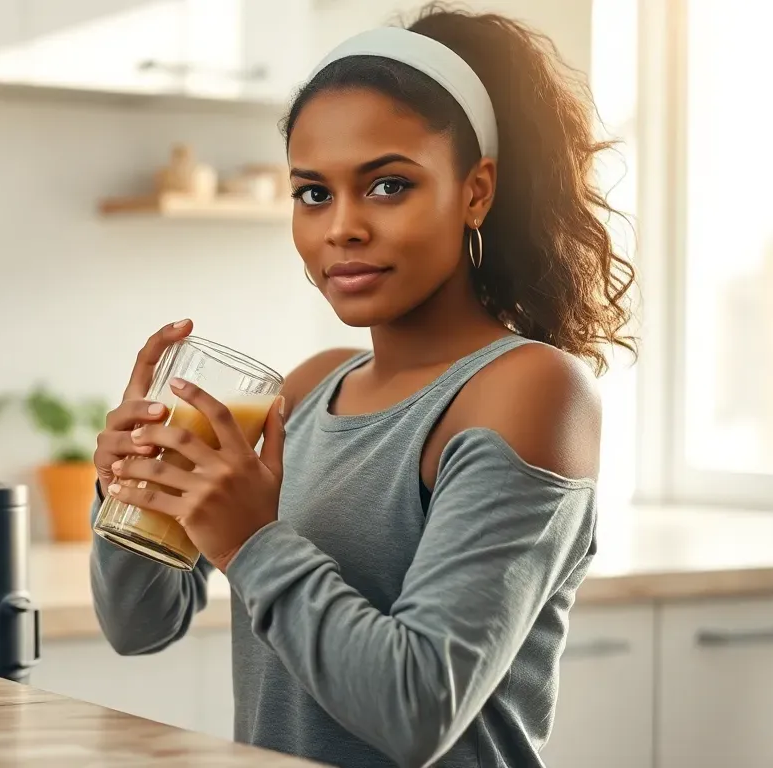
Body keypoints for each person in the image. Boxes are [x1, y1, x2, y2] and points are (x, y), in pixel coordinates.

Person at [87, 3, 635, 766]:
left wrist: (250, 538)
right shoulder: (309, 389)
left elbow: (418, 709)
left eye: (387, 186)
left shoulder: (532, 388)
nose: (341, 226)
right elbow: (139, 624)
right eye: (313, 193)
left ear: (476, 191)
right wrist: (128, 494)